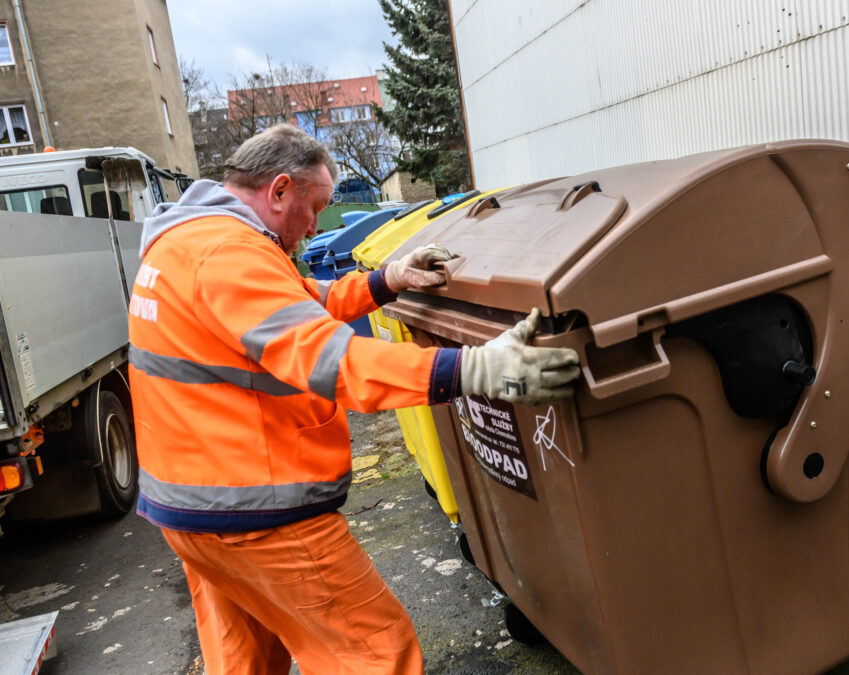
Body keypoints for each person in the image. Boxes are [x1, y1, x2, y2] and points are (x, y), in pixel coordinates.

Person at [127, 124, 580, 674]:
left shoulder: (187, 242)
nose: (317, 224)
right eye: (314, 206)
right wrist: (475, 367)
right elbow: (330, 359)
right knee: (373, 654)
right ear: (279, 191)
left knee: (245, 659)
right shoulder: (228, 254)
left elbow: (296, 301)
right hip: (256, 512)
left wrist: (386, 281)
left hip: (195, 512)